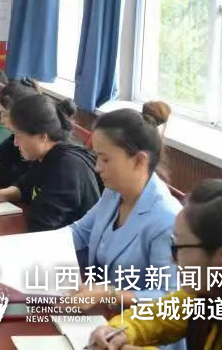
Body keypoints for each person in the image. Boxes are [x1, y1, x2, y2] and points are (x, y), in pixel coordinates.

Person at [88, 179, 222, 350]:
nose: (172, 259)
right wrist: (117, 332)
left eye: (178, 248)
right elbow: (156, 316)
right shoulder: (203, 293)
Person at [66, 102, 181, 309]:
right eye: (97, 157)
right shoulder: (114, 192)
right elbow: (79, 232)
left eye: (105, 159)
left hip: (136, 323)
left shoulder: (167, 219)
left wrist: (108, 293)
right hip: (100, 313)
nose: (97, 167)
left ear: (139, 160)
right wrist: (25, 246)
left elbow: (169, 296)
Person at [0, 94, 101, 231]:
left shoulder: (66, 167)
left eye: (18, 136)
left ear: (42, 137)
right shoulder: (46, 155)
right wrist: (2, 194)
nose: (15, 143)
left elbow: (42, 226)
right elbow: (26, 186)